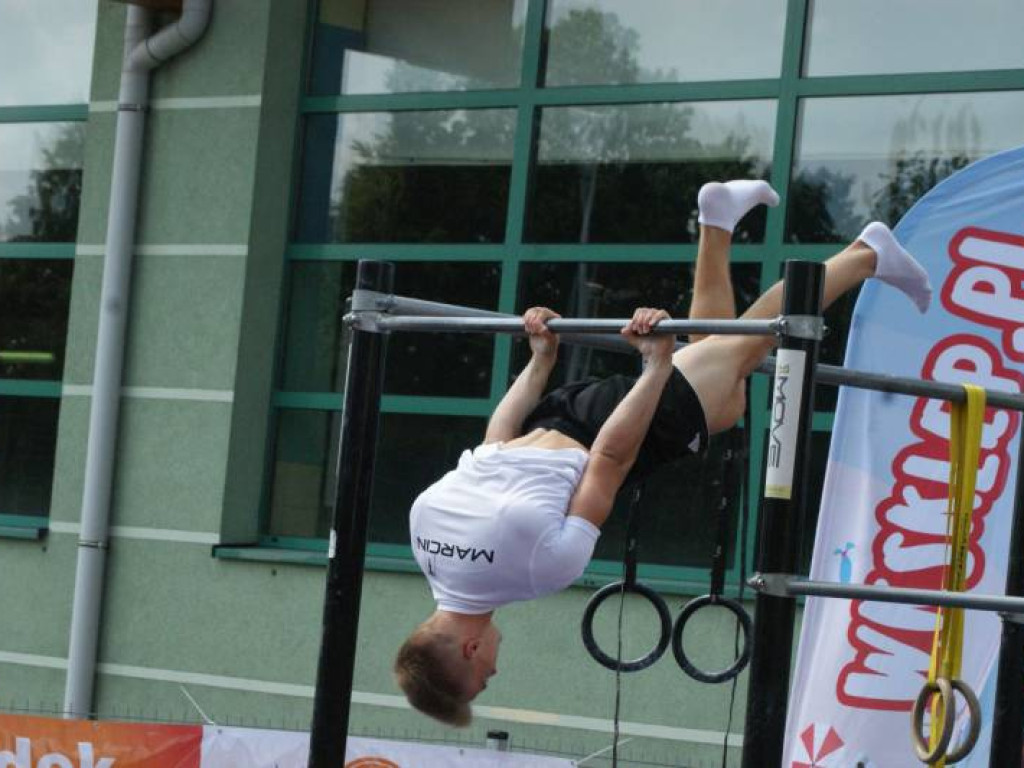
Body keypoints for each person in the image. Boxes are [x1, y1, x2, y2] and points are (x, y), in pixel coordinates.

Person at [393, 180, 933, 726]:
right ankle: (716, 223)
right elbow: (496, 442)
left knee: (740, 349)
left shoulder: (537, 573)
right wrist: (540, 362)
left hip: (618, 431)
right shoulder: (423, 531)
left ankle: (865, 255)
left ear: (467, 651)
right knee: (727, 392)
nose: (494, 670)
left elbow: (610, 461)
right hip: (557, 412)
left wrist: (655, 369)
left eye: (484, 677)